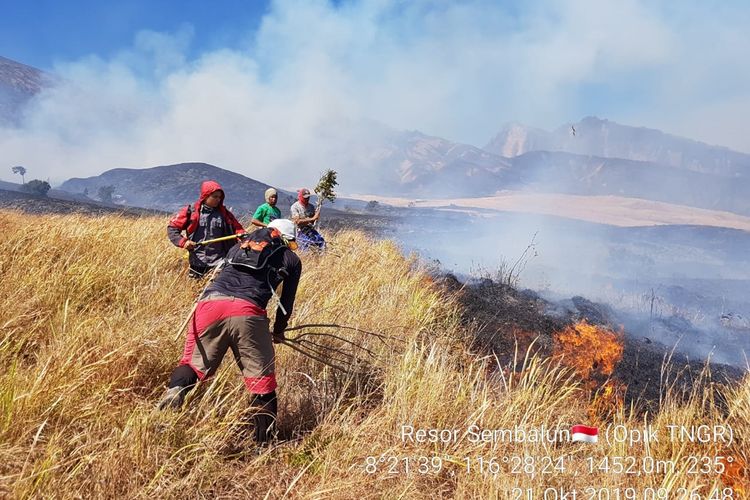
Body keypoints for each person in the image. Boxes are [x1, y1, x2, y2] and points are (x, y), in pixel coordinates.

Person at [158, 219, 302, 446]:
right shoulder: (290, 258)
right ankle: (262, 445)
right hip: (248, 312)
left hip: (209, 305)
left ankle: (175, 392)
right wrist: (278, 331)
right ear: (285, 238)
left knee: (193, 364)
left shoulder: (240, 245)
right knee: (261, 380)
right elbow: (287, 301)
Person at [167, 181, 245, 279]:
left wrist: (242, 236)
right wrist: (183, 242)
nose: (218, 199)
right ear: (205, 196)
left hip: (219, 262)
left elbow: (238, 229)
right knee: (195, 292)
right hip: (197, 262)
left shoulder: (225, 214)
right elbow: (172, 228)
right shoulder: (191, 212)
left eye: (220, 197)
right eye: (215, 197)